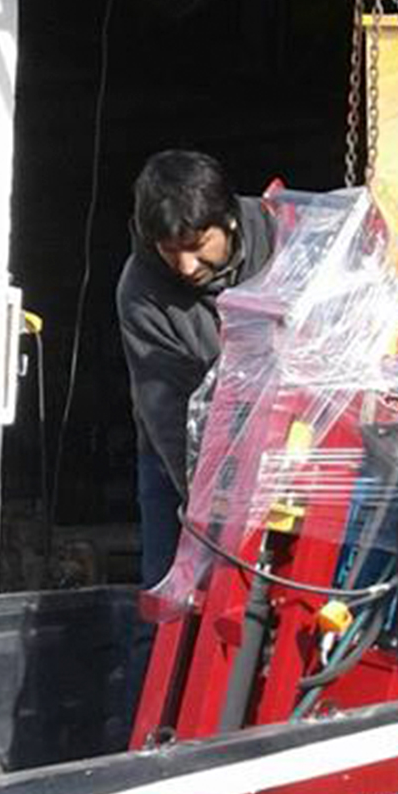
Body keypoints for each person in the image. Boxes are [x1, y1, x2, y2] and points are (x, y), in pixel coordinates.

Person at [116, 149, 274, 721]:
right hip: (179, 458)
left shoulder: (283, 236)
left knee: (284, 604)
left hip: (289, 450)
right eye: (168, 250)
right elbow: (165, 411)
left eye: (196, 244)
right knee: (170, 602)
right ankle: (149, 736)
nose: (184, 266)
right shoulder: (141, 292)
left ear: (227, 218)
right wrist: (215, 510)